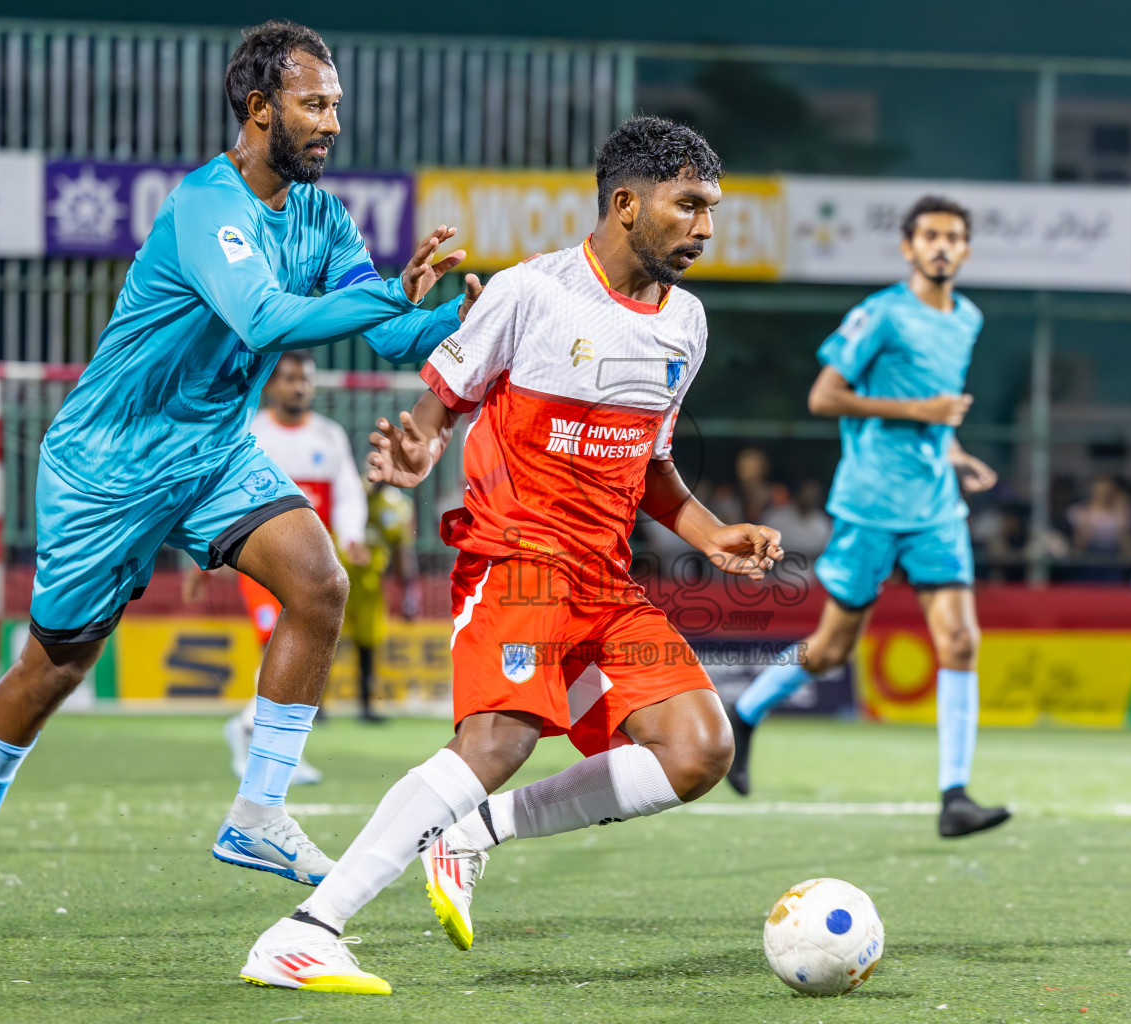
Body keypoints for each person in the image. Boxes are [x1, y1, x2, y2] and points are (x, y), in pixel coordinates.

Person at [0, 20, 483, 942]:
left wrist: (455, 321)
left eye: (337, 105)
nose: (332, 123)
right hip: (109, 465)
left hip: (213, 450)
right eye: (314, 105)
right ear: (260, 110)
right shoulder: (203, 206)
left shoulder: (324, 215)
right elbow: (263, 319)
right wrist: (393, 295)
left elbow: (388, 337)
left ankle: (258, 812)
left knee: (319, 583)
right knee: (55, 665)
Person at [238, 116, 782, 995]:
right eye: (689, 207)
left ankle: (473, 832)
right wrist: (415, 448)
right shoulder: (531, 292)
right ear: (626, 202)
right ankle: (305, 930)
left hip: (606, 582)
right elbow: (440, 400)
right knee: (498, 736)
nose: (705, 229)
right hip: (518, 559)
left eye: (710, 210)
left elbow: (651, 463)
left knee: (697, 748)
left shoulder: (687, 325)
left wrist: (712, 531)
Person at [723, 195, 1010, 840]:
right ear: (908, 247)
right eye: (930, 235)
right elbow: (824, 397)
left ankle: (955, 797)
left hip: (936, 508)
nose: (941, 246)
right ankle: (744, 714)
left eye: (953, 237)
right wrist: (924, 416)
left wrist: (956, 453)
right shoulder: (881, 314)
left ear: (966, 250)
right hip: (871, 505)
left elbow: (936, 408)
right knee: (829, 650)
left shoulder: (967, 318)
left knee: (961, 641)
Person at [214, 349, 368, 781]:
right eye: (289, 379)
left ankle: (260, 735)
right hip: (262, 558)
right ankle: (259, 734)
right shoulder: (252, 433)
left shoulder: (328, 436)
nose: (298, 387)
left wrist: (352, 535)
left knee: (300, 644)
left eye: (305, 379)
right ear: (271, 385)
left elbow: (348, 492)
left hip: (315, 562)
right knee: (279, 641)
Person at [337, 481, 421, 721]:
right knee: (325, 644)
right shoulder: (349, 491)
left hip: (370, 587)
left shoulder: (397, 506)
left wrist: (409, 594)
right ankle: (315, 707)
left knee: (368, 645)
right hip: (336, 580)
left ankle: (366, 706)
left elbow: (402, 550)